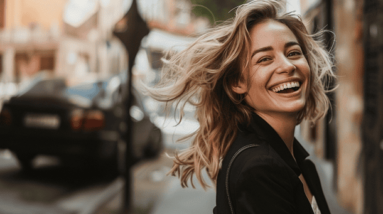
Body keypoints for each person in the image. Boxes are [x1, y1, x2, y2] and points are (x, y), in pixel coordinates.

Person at [144, 0, 335, 213]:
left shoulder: (297, 161)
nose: (288, 66)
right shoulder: (260, 168)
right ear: (237, 83)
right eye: (264, 59)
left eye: (293, 53)